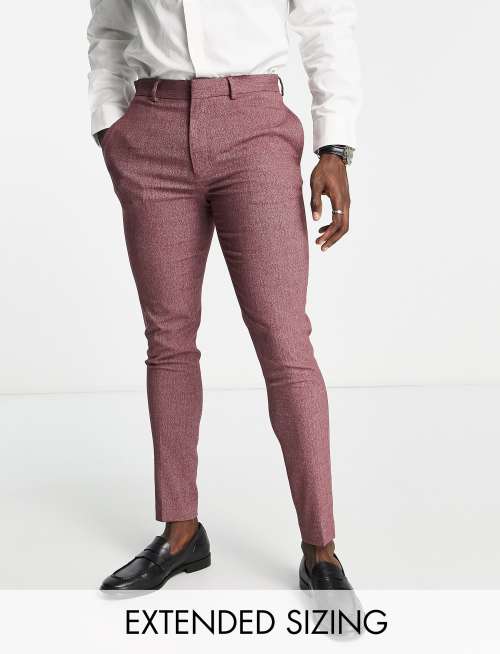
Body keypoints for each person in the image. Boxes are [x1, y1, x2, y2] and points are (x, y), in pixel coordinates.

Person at [88, 0, 362, 592]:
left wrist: (334, 146)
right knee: (168, 340)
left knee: (285, 342)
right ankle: (180, 531)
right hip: (152, 127)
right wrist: (110, 126)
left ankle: (321, 548)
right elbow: (109, 28)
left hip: (255, 127)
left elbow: (324, 21)